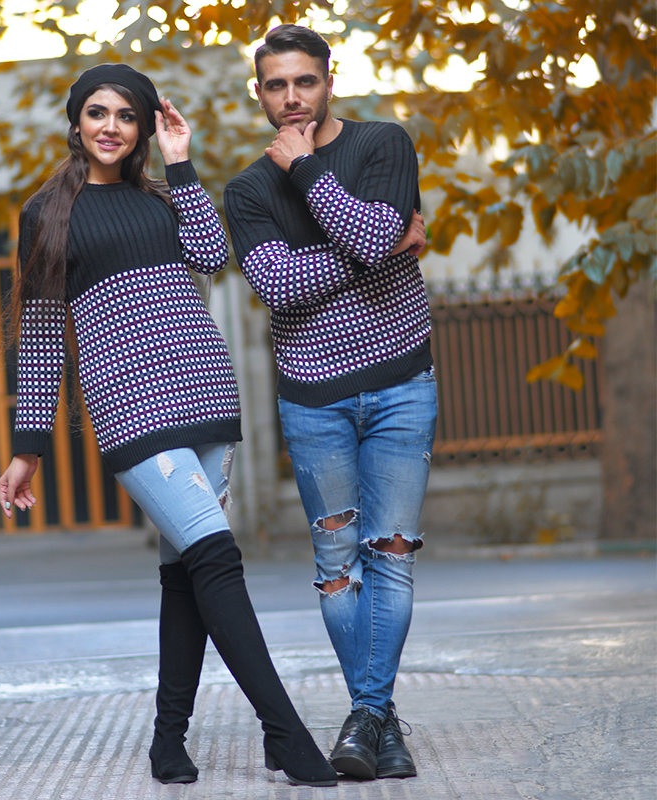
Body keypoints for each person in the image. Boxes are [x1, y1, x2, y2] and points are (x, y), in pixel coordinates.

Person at [0, 63, 337, 788]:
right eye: (98, 112)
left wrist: (182, 164)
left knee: (185, 574)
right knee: (216, 557)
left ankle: (167, 740)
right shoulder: (46, 214)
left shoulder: (162, 195)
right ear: (76, 121)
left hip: (205, 394)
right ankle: (285, 733)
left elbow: (213, 257)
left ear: (145, 127)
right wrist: (28, 447)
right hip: (131, 407)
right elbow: (42, 336)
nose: (111, 127)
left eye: (127, 115)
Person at [224, 25, 437, 782]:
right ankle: (378, 723)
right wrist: (382, 245)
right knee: (339, 568)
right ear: (259, 92)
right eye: (276, 85)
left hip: (402, 384)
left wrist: (309, 169)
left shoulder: (383, 144)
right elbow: (280, 287)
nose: (292, 98)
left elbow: (373, 237)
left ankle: (365, 720)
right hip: (314, 400)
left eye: (304, 81)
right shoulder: (247, 190)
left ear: (329, 80)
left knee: (392, 557)